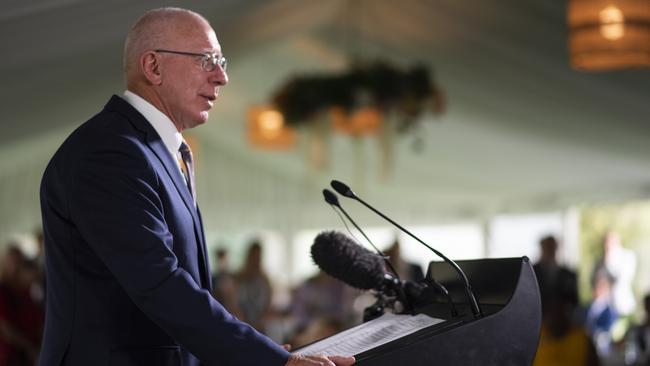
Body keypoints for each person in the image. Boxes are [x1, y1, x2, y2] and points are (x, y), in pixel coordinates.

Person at [38, 7, 354, 366]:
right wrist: (266, 360)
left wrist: (257, 351)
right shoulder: (108, 153)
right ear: (153, 67)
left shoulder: (161, 151)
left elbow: (186, 286)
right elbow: (160, 283)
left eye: (222, 61)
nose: (222, 77)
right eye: (206, 60)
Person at [533, 235, 578, 314]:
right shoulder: (532, 273)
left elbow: (574, 302)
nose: (550, 251)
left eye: (552, 247)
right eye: (547, 247)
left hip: (561, 321)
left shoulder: (568, 274)